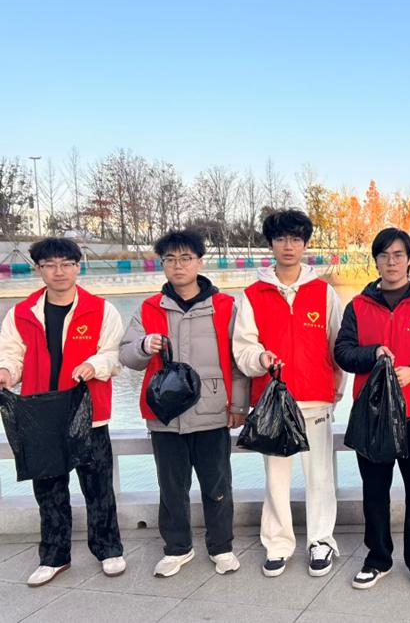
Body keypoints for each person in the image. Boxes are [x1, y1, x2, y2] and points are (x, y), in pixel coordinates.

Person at [334, 227, 410, 595]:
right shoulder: (358, 305)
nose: (391, 261)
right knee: (375, 491)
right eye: (384, 255)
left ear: (409, 259)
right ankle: (378, 559)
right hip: (372, 415)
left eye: (398, 254)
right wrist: (372, 353)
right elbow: (342, 352)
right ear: (375, 260)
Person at [119, 229, 249, 578]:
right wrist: (143, 346)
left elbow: (238, 362)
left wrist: (239, 406)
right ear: (162, 264)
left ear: (200, 262)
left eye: (186, 258)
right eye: (170, 259)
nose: (178, 266)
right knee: (171, 487)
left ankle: (221, 547)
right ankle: (177, 548)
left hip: (212, 413)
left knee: (217, 486)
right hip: (165, 416)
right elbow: (126, 356)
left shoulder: (225, 307)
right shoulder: (149, 308)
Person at [0, 238, 125, 587]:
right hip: (40, 415)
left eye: (66, 263)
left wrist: (94, 364)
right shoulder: (22, 313)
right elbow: (11, 354)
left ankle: (108, 549)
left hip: (88, 412)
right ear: (38, 269)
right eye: (50, 265)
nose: (59, 271)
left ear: (77, 266)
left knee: (98, 485)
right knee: (49, 489)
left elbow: (114, 355)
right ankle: (54, 557)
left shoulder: (101, 310)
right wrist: (6, 371)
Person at [232, 209, 345, 578]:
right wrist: (260, 358)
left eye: (296, 239)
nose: (288, 246)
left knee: (320, 476)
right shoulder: (253, 295)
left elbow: (337, 345)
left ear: (305, 244)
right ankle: (278, 544)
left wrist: (337, 387)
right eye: (281, 239)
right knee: (276, 479)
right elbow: (243, 347)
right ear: (271, 244)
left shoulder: (324, 293)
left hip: (316, 398)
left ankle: (321, 541)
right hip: (274, 403)